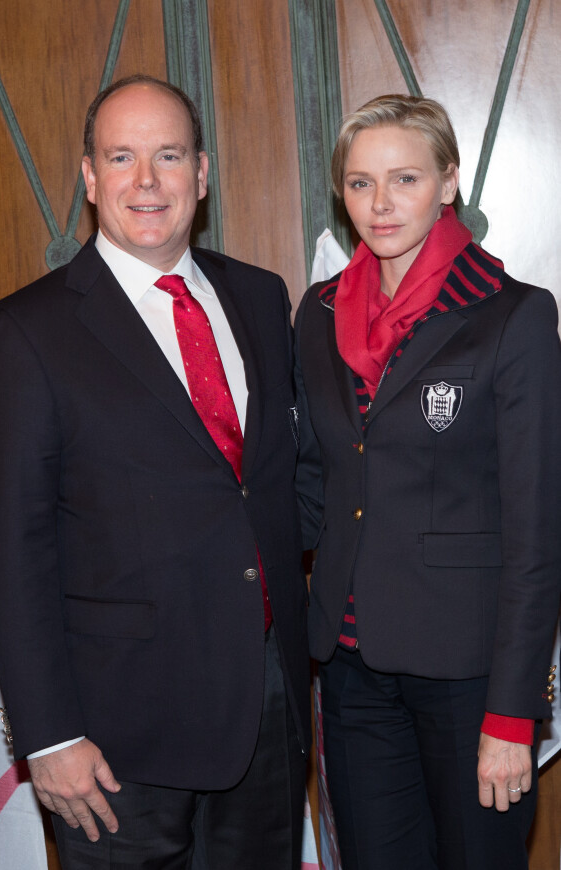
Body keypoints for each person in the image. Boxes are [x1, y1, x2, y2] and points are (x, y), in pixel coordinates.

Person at [0, 74, 310, 869]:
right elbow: (10, 550)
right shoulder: (24, 332)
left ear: (202, 173)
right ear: (90, 179)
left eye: (168, 155)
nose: (147, 180)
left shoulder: (261, 298)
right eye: (121, 157)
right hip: (113, 737)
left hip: (267, 710)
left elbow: (276, 486)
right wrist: (50, 733)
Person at [294, 94, 561, 870]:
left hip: (468, 672)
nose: (380, 205)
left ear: (448, 183)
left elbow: (536, 533)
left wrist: (513, 713)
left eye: (404, 179)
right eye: (360, 183)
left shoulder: (511, 317)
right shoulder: (317, 315)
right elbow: (313, 484)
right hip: (348, 667)